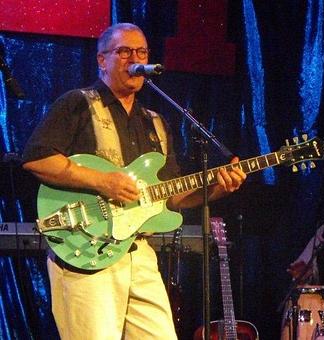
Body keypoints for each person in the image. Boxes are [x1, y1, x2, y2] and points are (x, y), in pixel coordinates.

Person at [22, 23, 247, 340]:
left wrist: (215, 190)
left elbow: (170, 198)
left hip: (140, 252)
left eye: (141, 52)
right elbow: (36, 157)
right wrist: (103, 182)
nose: (135, 58)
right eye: (124, 51)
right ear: (102, 60)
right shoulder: (78, 103)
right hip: (87, 249)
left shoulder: (155, 122)